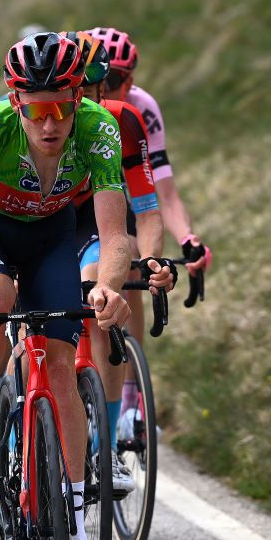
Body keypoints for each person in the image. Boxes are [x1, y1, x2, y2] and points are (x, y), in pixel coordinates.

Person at [0, 32, 131, 540]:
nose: (50, 125)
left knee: (57, 369)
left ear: (80, 98)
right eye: (36, 112)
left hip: (53, 236)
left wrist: (107, 286)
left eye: (62, 109)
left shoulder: (99, 129)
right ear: (16, 104)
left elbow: (114, 235)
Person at [85, 27, 211, 426]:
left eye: (114, 81)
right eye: (93, 82)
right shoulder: (73, 112)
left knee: (135, 263)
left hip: (122, 196)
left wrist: (187, 239)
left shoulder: (139, 112)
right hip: (75, 201)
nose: (103, 91)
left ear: (130, 81)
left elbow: (163, 194)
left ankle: (129, 392)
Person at [68, 32, 174, 492]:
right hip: (40, 224)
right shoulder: (37, 123)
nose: (93, 101)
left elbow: (148, 211)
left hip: (96, 224)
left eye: (100, 88)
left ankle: (105, 441)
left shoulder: (124, 121)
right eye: (82, 91)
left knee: (103, 289)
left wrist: (151, 263)